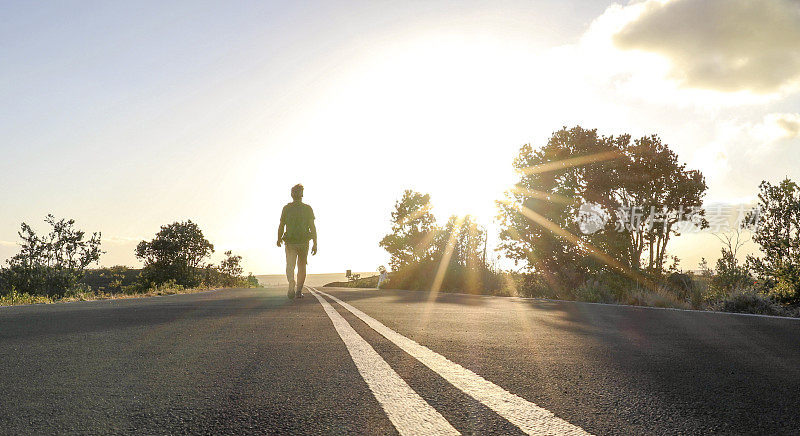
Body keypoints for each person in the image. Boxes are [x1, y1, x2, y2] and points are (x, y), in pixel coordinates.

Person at [277, 184, 317, 299]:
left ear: (291, 195)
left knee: (290, 265)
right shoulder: (307, 208)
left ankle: (291, 281)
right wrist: (315, 243)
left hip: (290, 242)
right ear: (302, 195)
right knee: (302, 266)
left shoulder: (286, 208)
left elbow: (281, 225)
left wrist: (279, 238)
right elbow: (312, 227)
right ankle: (299, 291)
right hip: (304, 242)